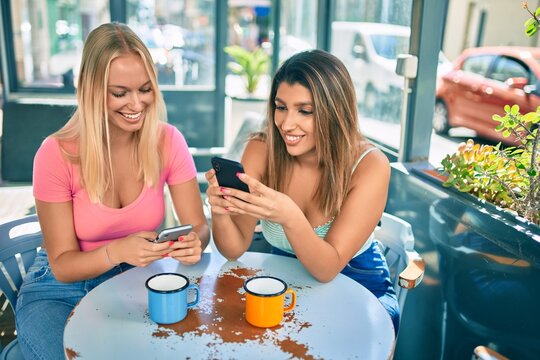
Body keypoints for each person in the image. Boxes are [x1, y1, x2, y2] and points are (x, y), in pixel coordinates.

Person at [16, 22, 210, 359]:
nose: (136, 104)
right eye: (119, 93)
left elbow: (200, 227)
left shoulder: (168, 141)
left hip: (132, 282)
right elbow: (62, 265)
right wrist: (117, 250)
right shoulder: (56, 154)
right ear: (92, 91)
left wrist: (195, 241)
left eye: (145, 89)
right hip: (59, 290)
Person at [206, 49, 399, 332]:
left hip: (358, 279)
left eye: (305, 111)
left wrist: (289, 216)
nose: (286, 124)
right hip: (283, 275)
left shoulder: (369, 165)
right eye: (281, 107)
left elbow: (327, 268)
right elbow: (234, 249)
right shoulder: (261, 149)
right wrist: (220, 211)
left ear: (335, 112)